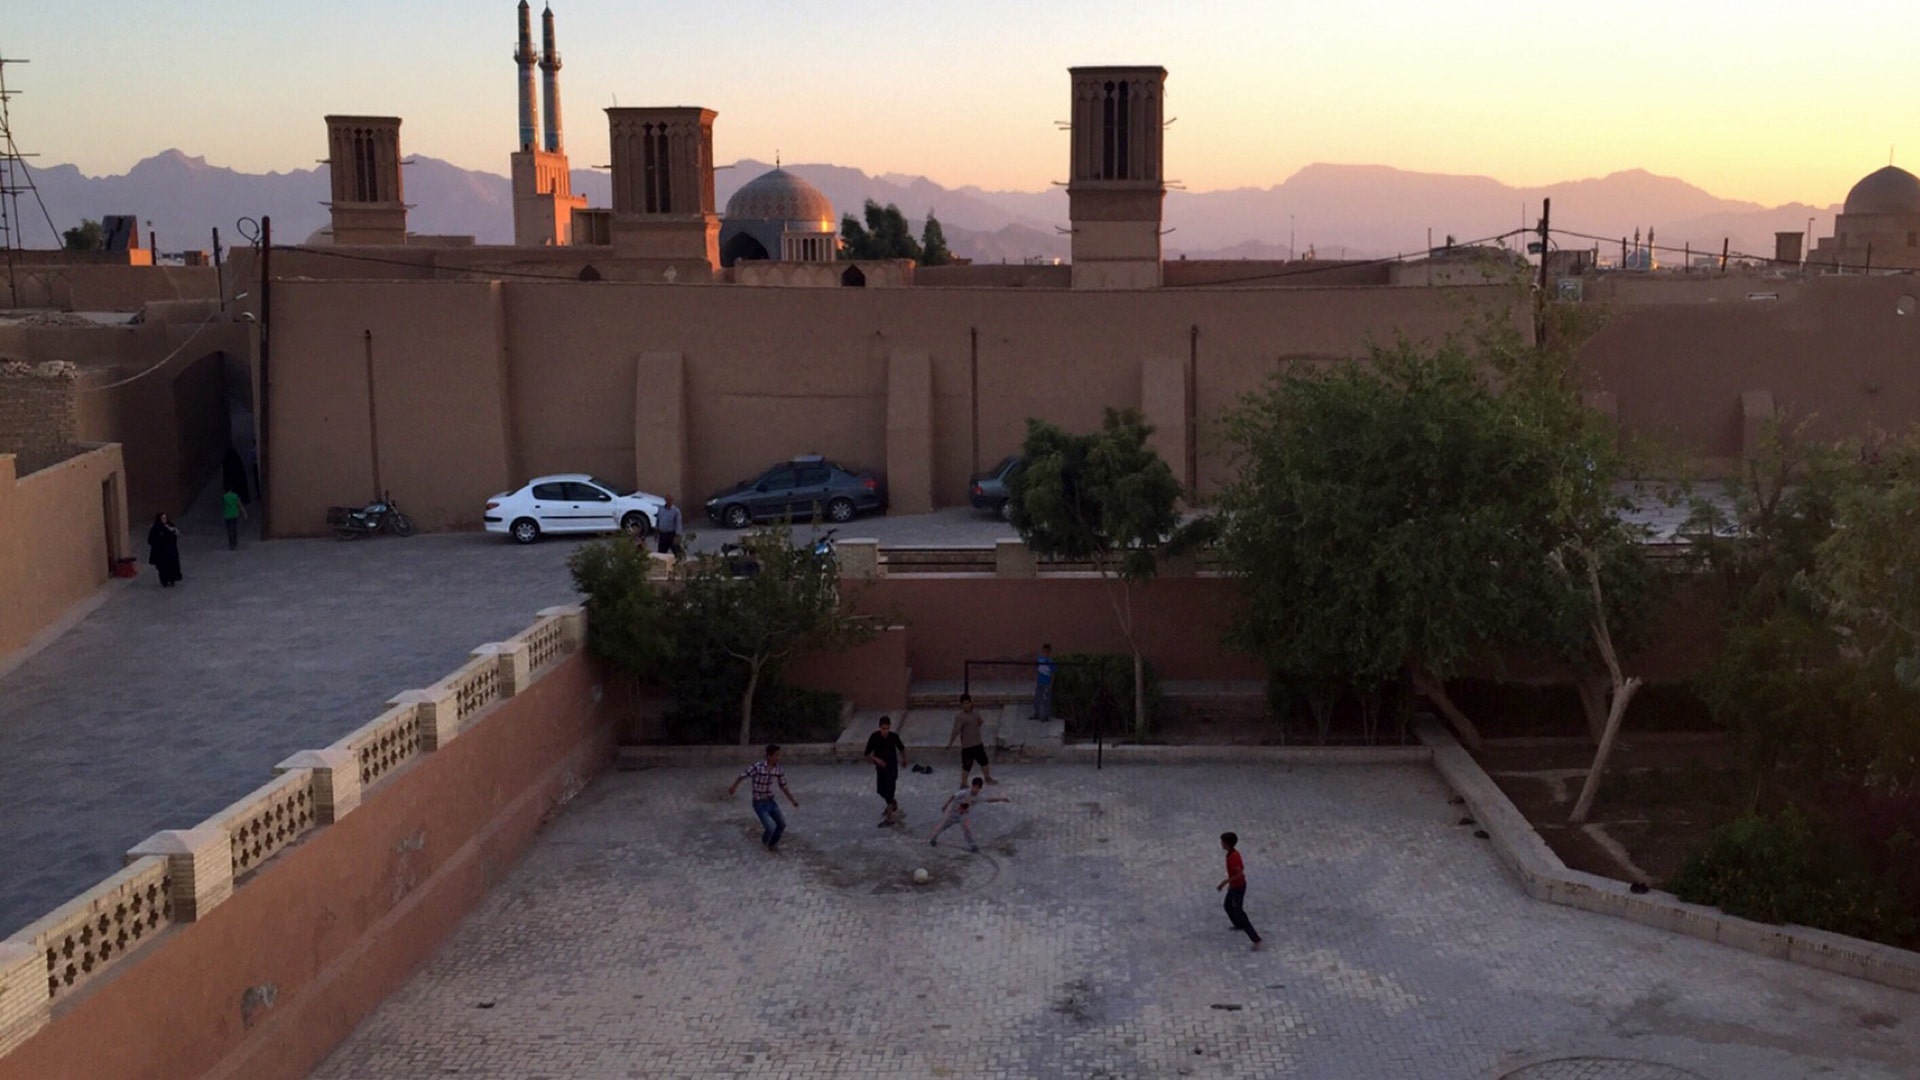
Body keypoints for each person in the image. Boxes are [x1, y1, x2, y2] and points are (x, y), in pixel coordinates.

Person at [727, 744, 799, 851]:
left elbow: (783, 787)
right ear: (769, 756)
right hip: (759, 803)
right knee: (770, 827)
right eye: (776, 755)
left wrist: (793, 800)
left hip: (770, 801)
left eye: (779, 755)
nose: (778, 758)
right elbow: (744, 775)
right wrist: (734, 786)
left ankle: (772, 845)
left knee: (781, 824)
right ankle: (764, 843)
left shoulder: (778, 770)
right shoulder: (758, 767)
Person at [929, 776, 1005, 852]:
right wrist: (946, 805)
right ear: (971, 786)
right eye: (974, 787)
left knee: (966, 829)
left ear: (980, 789)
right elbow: (953, 796)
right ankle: (934, 838)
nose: (975, 790)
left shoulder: (977, 797)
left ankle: (972, 845)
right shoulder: (964, 792)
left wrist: (1001, 799)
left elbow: (988, 800)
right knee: (943, 826)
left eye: (977, 788)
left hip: (963, 816)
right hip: (953, 814)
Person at [1217, 832, 1264, 951]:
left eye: (1222, 842)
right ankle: (1238, 925)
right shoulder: (1231, 854)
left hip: (1238, 887)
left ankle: (1256, 939)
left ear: (1227, 844)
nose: (1221, 844)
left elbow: (1240, 873)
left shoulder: (1234, 857)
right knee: (1227, 905)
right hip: (1234, 886)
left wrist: (1225, 882)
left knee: (1239, 912)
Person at [863, 716, 910, 826]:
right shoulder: (874, 737)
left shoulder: (893, 737)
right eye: (883, 728)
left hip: (892, 768)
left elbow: (902, 748)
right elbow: (866, 754)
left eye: (887, 728)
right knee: (881, 790)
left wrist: (905, 759)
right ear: (880, 728)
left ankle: (889, 818)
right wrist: (876, 759)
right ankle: (892, 803)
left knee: (890, 791)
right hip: (881, 769)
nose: (885, 731)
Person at [947, 693, 996, 785]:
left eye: (968, 703)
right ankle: (964, 783)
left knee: (984, 761)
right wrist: (950, 742)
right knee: (967, 765)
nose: (966, 705)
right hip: (967, 746)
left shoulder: (976, 712)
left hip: (978, 743)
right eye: (964, 703)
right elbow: (956, 730)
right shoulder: (960, 717)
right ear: (961, 705)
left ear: (971, 703)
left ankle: (988, 778)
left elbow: (980, 722)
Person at [146, 512, 183, 587]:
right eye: (162, 518)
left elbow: (177, 534)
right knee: (163, 568)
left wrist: (171, 530)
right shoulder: (155, 528)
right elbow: (151, 540)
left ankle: (172, 579)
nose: (164, 520)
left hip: (171, 551)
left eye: (165, 518)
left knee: (172, 565)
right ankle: (164, 581)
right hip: (161, 552)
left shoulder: (171, 526)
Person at [1032, 643, 1055, 721]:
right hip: (1040, 682)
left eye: (1047, 651)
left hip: (1046, 683)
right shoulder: (1040, 659)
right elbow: (1037, 668)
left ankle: (1046, 715)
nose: (1045, 653)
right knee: (1037, 698)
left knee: (1046, 700)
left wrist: (1050, 684)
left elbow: (1052, 674)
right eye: (1044, 651)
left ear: (1049, 652)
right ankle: (1037, 713)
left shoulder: (1051, 662)